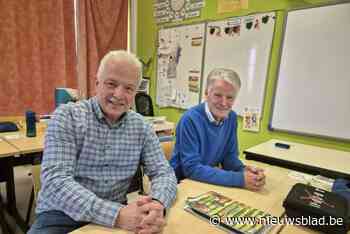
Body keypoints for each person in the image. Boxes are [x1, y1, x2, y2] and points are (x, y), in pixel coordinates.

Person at [28, 50, 177, 234]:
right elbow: (56, 182)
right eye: (111, 84)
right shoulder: (67, 117)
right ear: (97, 83)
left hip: (116, 217)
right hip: (62, 216)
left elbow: (163, 172)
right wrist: (117, 215)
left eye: (129, 88)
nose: (119, 94)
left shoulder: (142, 127)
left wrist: (157, 205)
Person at [169, 68, 265, 191]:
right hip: (181, 183)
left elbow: (229, 158)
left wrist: (243, 170)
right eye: (218, 95)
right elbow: (191, 169)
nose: (224, 103)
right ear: (206, 94)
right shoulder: (190, 119)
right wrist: (240, 179)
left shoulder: (232, 118)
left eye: (230, 97)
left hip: (205, 181)